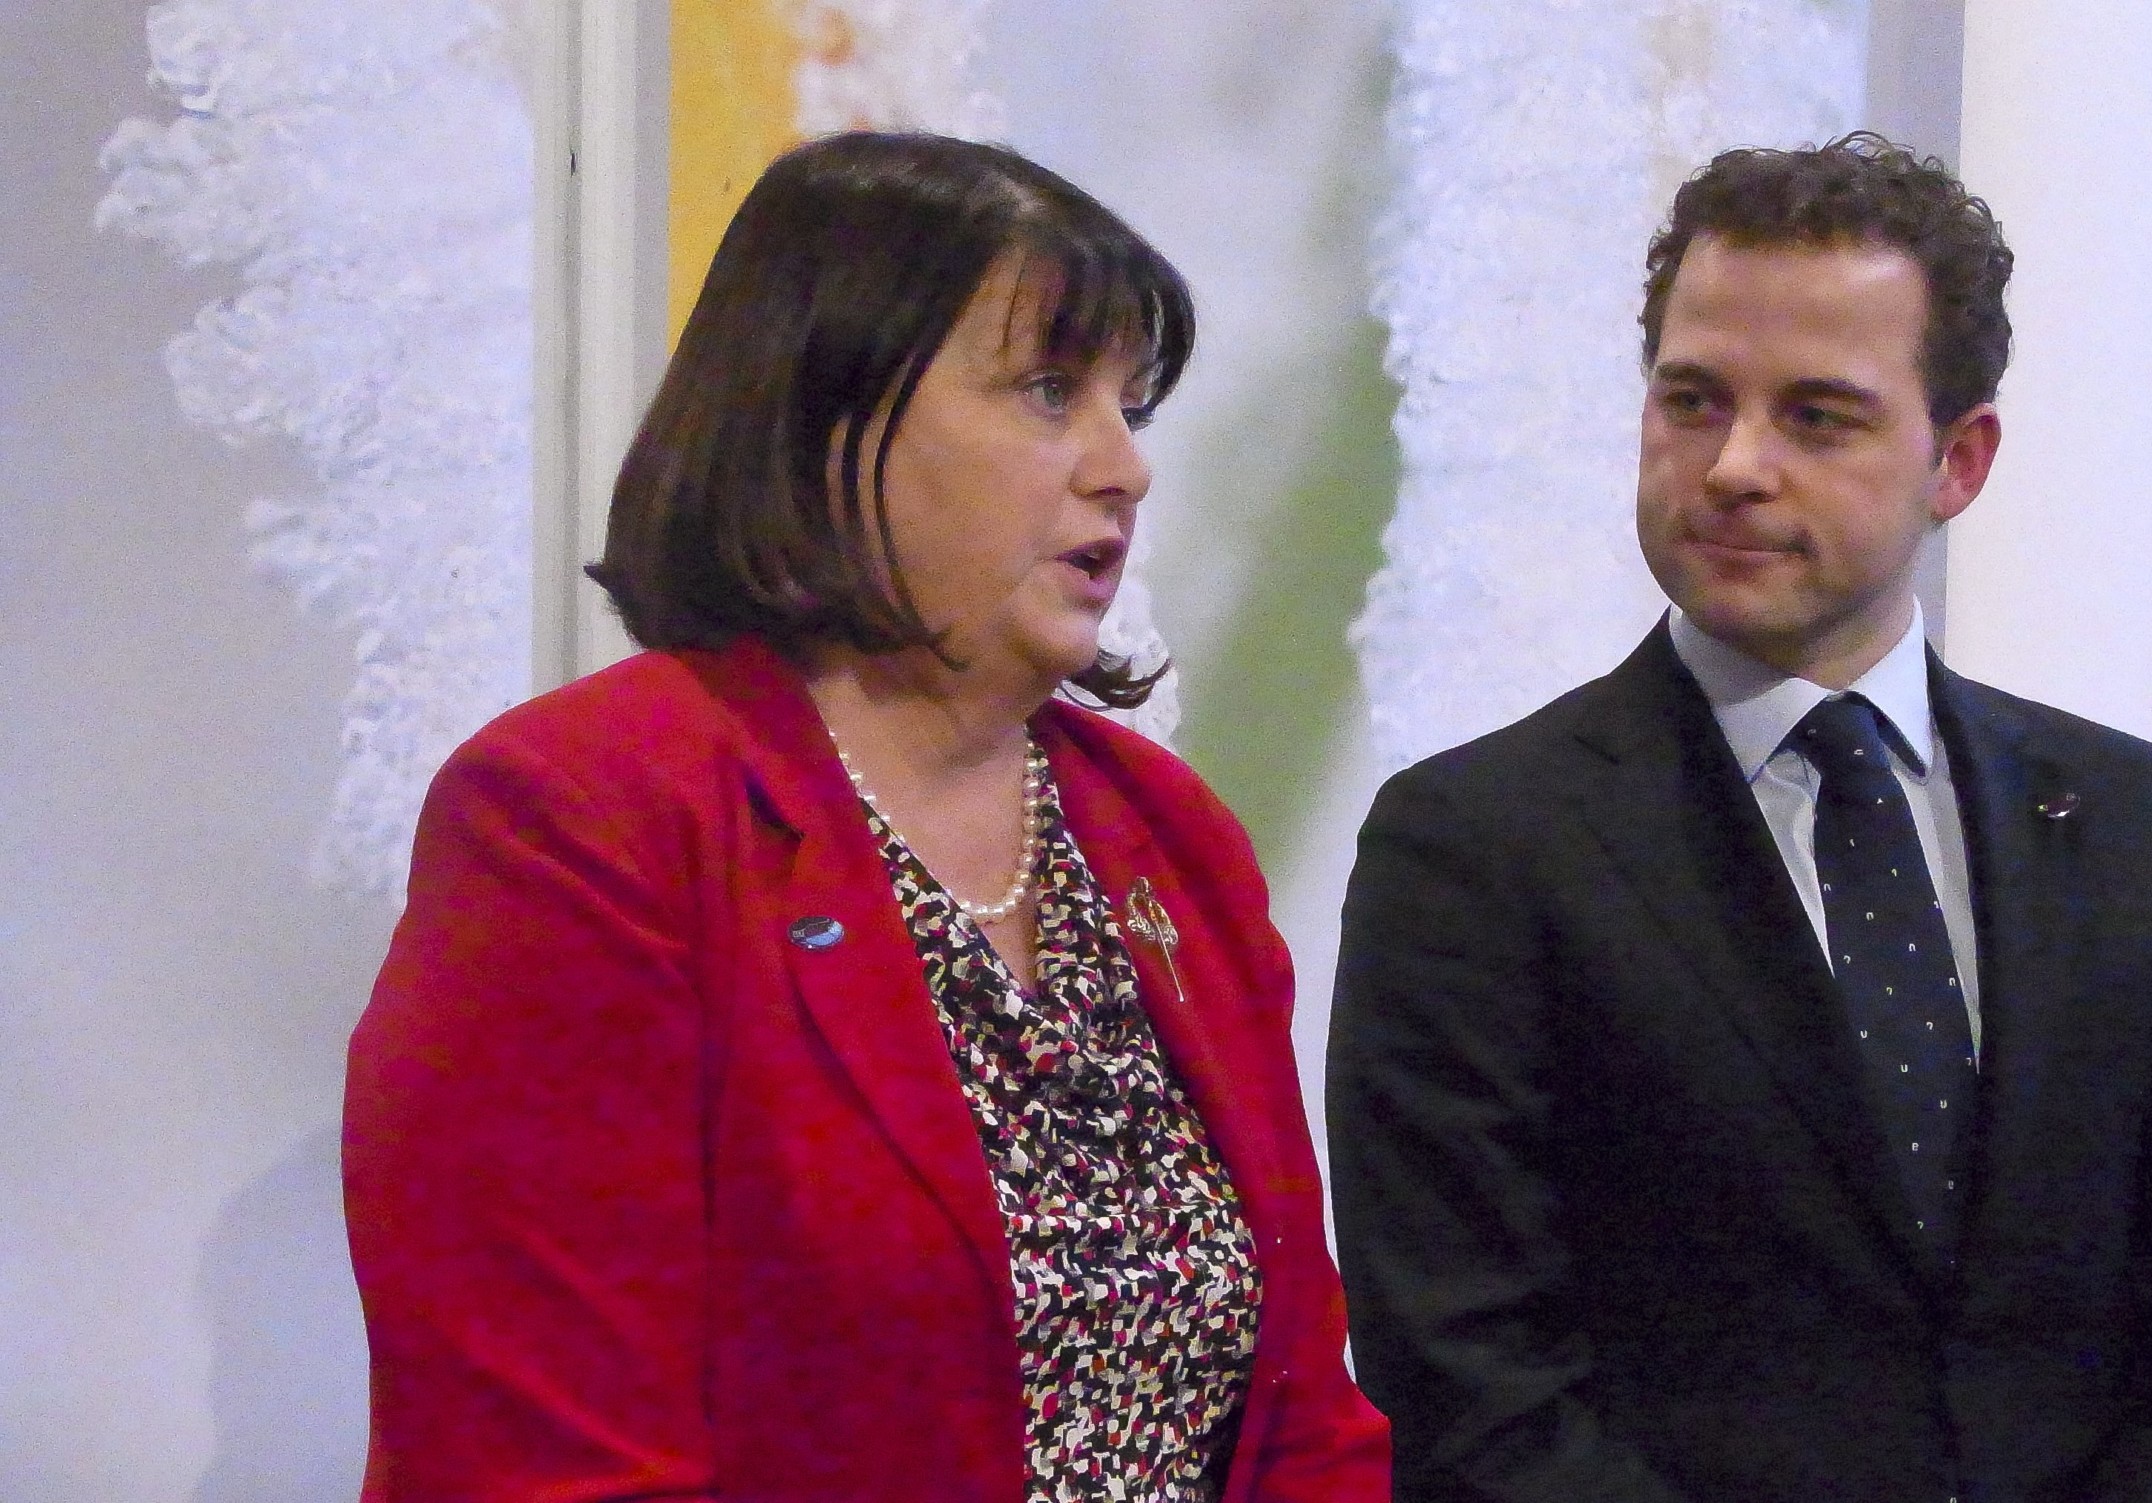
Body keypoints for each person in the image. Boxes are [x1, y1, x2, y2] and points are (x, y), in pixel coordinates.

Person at [344, 132, 1389, 1502]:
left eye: (1129, 407)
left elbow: (1305, 1416)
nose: (1123, 466)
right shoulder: (588, 823)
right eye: (1046, 390)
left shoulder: (1164, 834)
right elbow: (538, 1463)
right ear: (828, 421)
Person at [1326, 133, 2152, 1501]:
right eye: (1691, 400)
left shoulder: (2135, 825)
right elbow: (1469, 1377)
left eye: (1816, 416)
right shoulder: (1477, 845)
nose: (1733, 464)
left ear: (1957, 461)